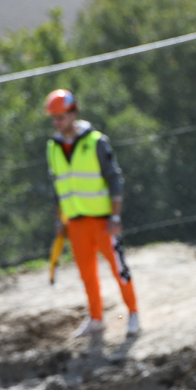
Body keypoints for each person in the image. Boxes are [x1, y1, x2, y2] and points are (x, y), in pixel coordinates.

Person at [44, 89, 140, 338]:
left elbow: (115, 179)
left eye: (61, 117)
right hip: (75, 222)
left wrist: (115, 216)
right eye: (54, 118)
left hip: (103, 221)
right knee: (87, 274)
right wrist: (59, 220)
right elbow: (57, 187)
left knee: (119, 269)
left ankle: (133, 314)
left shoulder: (97, 142)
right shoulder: (53, 147)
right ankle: (96, 319)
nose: (57, 122)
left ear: (73, 113)